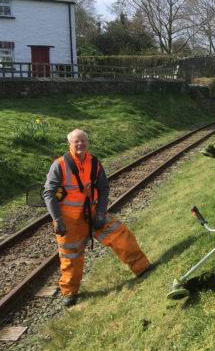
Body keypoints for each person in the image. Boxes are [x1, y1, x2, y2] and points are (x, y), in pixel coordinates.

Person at [43, 129, 153, 307]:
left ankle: (142, 268)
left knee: (121, 235)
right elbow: (49, 194)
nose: (80, 144)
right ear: (69, 144)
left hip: (94, 213)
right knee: (70, 257)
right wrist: (57, 220)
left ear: (87, 143)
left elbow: (103, 188)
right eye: (76, 142)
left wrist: (101, 213)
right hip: (69, 221)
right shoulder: (59, 165)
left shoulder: (94, 162)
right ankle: (69, 293)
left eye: (83, 141)